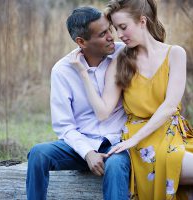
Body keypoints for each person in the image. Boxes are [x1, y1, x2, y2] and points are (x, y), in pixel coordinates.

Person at [71, 0, 193, 199]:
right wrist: (83, 74)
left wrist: (134, 139)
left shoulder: (175, 53)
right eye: (116, 29)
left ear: (142, 21)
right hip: (142, 145)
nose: (119, 35)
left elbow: (170, 106)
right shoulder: (121, 61)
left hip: (174, 134)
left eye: (123, 27)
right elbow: (103, 112)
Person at [26, 6, 130, 200]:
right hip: (79, 145)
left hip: (117, 143)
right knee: (38, 153)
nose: (111, 37)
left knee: (115, 166)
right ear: (81, 42)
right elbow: (64, 126)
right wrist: (88, 152)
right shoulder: (63, 70)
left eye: (110, 29)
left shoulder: (123, 53)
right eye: (102, 34)